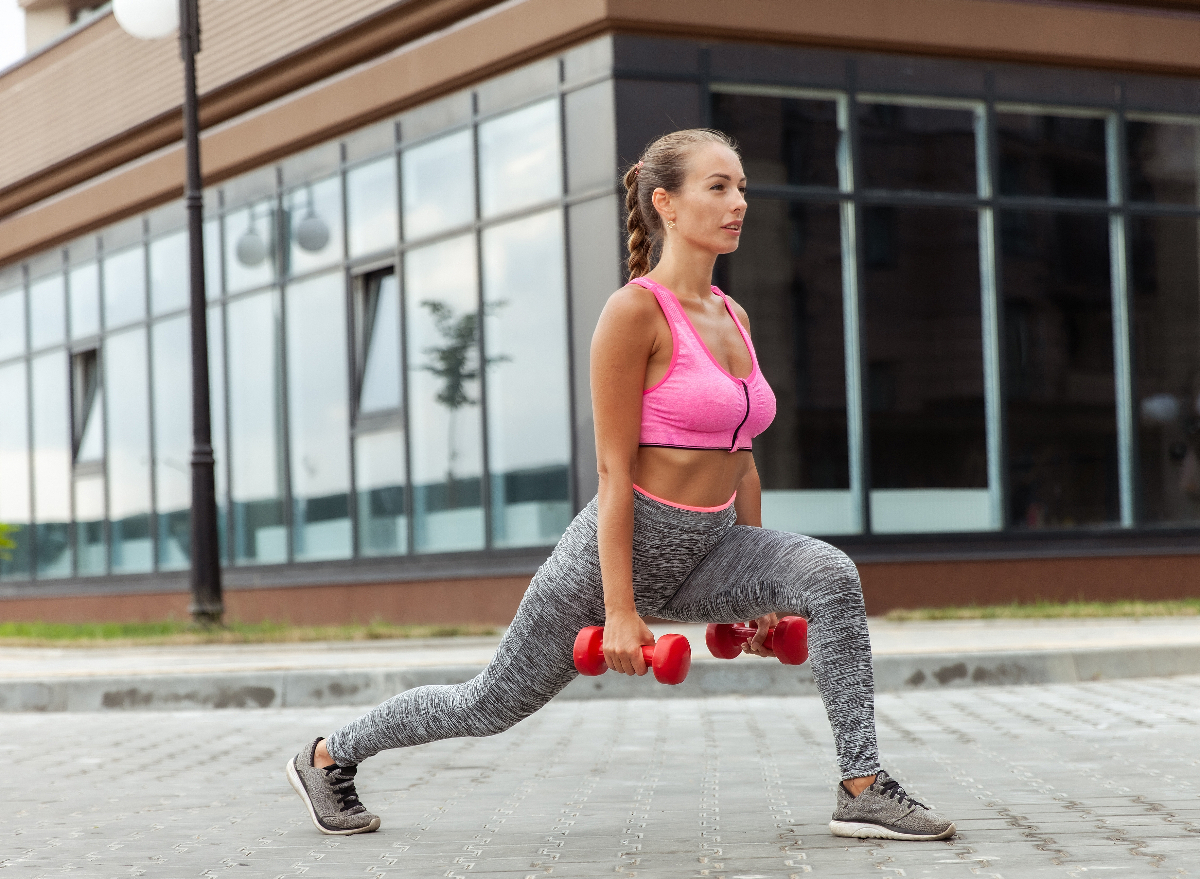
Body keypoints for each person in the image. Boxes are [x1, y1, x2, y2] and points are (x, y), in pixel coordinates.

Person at [286, 128, 956, 842]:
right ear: (666, 203)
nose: (739, 203)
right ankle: (328, 755)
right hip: (614, 555)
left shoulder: (735, 315)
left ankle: (861, 785)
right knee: (488, 703)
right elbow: (613, 472)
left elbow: (745, 459)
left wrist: (766, 590)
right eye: (719, 187)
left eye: (742, 189)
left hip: (710, 544)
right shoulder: (634, 311)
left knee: (828, 574)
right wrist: (620, 610)